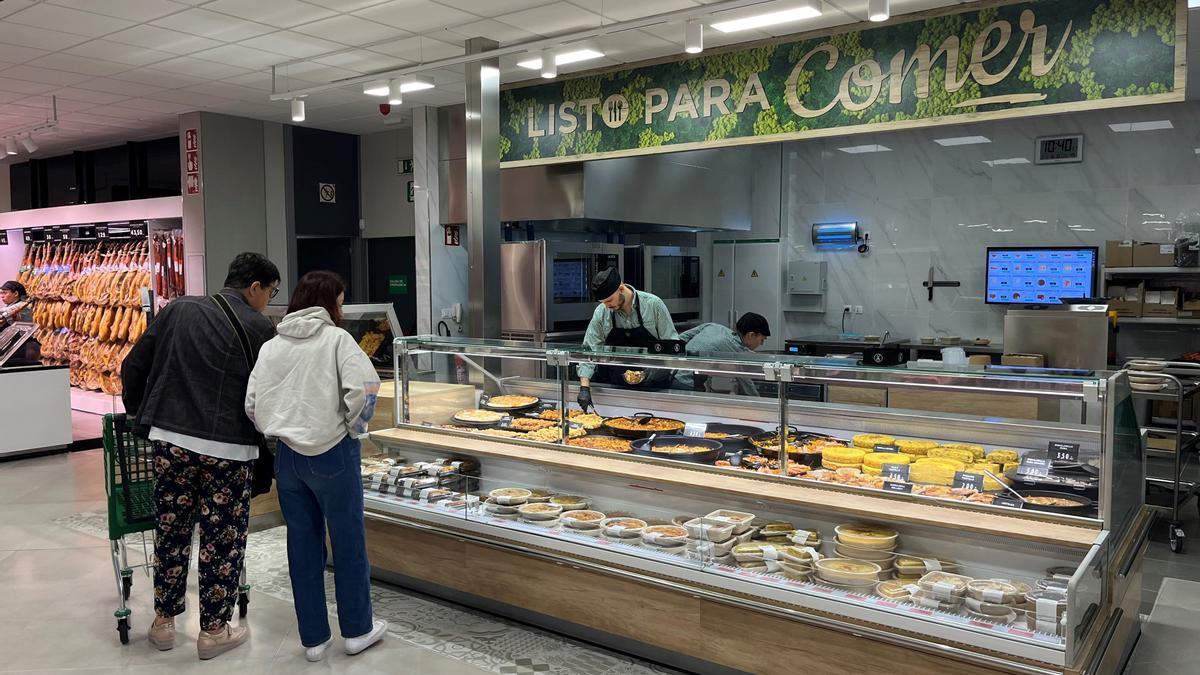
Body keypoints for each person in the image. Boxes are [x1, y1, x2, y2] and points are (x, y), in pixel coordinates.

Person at [121, 252, 279, 660]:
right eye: (271, 291)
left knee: (171, 531)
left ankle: (162, 624)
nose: (269, 300)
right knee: (221, 537)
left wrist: (142, 414)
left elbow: (133, 363)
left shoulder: (178, 309)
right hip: (229, 448)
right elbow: (268, 391)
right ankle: (212, 630)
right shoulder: (260, 326)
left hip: (171, 440)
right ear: (255, 287)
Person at [245, 271, 386, 662]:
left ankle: (313, 639)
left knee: (302, 546)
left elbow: (252, 404)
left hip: (287, 458)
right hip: (332, 453)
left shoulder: (273, 345)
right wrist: (352, 429)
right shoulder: (337, 340)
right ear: (327, 304)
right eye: (339, 302)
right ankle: (357, 630)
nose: (341, 310)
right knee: (348, 545)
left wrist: (278, 430)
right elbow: (367, 388)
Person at [577, 267, 679, 411]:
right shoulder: (602, 312)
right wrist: (584, 388)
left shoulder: (653, 304)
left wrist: (654, 372)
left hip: (654, 389)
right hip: (616, 387)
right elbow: (589, 350)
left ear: (621, 288)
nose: (607, 306)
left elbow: (673, 345)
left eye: (609, 300)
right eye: (603, 302)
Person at [672, 312, 772, 396]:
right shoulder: (738, 352)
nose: (762, 344)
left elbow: (680, 339)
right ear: (751, 335)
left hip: (670, 374)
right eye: (762, 340)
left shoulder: (713, 326)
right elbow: (747, 383)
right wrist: (758, 402)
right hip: (686, 384)